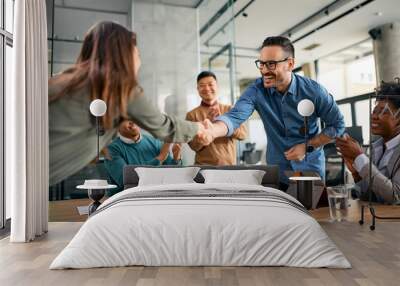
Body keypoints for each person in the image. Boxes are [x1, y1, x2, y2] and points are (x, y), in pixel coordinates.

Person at [48, 21, 211, 186]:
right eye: (137, 53)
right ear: (123, 54)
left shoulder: (63, 80)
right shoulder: (120, 89)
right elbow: (167, 127)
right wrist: (199, 128)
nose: (139, 59)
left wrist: (175, 158)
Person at [198, 36, 345, 190]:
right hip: (278, 172)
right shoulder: (256, 90)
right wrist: (213, 131)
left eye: (271, 64)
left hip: (309, 170)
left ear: (290, 64)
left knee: (307, 213)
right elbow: (234, 117)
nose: (264, 70)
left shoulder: (314, 92)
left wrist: (308, 146)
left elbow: (338, 125)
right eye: (261, 64)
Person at [336, 81, 400, 204]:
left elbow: (396, 197)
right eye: (375, 111)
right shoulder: (377, 148)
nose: (374, 116)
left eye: (384, 112)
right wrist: (356, 174)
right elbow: (372, 197)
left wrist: (360, 158)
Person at [186, 71, 247, 165]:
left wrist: (224, 123)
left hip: (229, 167)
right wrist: (207, 126)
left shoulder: (230, 110)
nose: (206, 88)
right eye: (202, 85)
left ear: (217, 86)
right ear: (197, 89)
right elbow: (194, 146)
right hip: (203, 168)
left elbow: (243, 134)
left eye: (210, 84)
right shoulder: (192, 115)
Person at [104, 120, 182, 193]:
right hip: (125, 198)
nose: (132, 122)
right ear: (116, 126)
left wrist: (176, 158)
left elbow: (172, 174)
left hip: (155, 194)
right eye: (126, 119)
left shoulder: (155, 142)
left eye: (134, 118)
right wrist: (159, 158)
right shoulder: (111, 150)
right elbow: (124, 179)